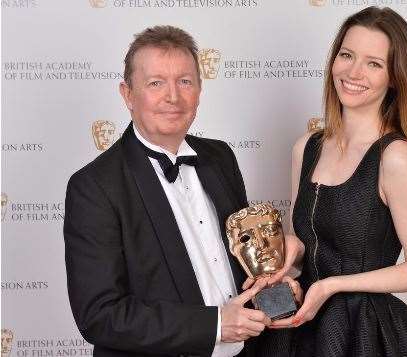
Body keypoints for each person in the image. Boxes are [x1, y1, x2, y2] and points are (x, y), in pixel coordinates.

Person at [64, 25, 272, 357]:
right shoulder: (94, 186)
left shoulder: (221, 158)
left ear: (200, 89)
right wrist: (215, 325)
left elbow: (242, 263)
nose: (172, 97)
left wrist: (273, 288)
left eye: (185, 81)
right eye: (155, 83)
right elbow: (100, 316)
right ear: (128, 94)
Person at [271, 7, 407, 356]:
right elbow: (308, 245)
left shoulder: (396, 157)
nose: (353, 72)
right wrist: (291, 256)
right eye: (346, 55)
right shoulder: (306, 148)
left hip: (363, 335)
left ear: (394, 77)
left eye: (373, 63)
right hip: (300, 325)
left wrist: (332, 286)